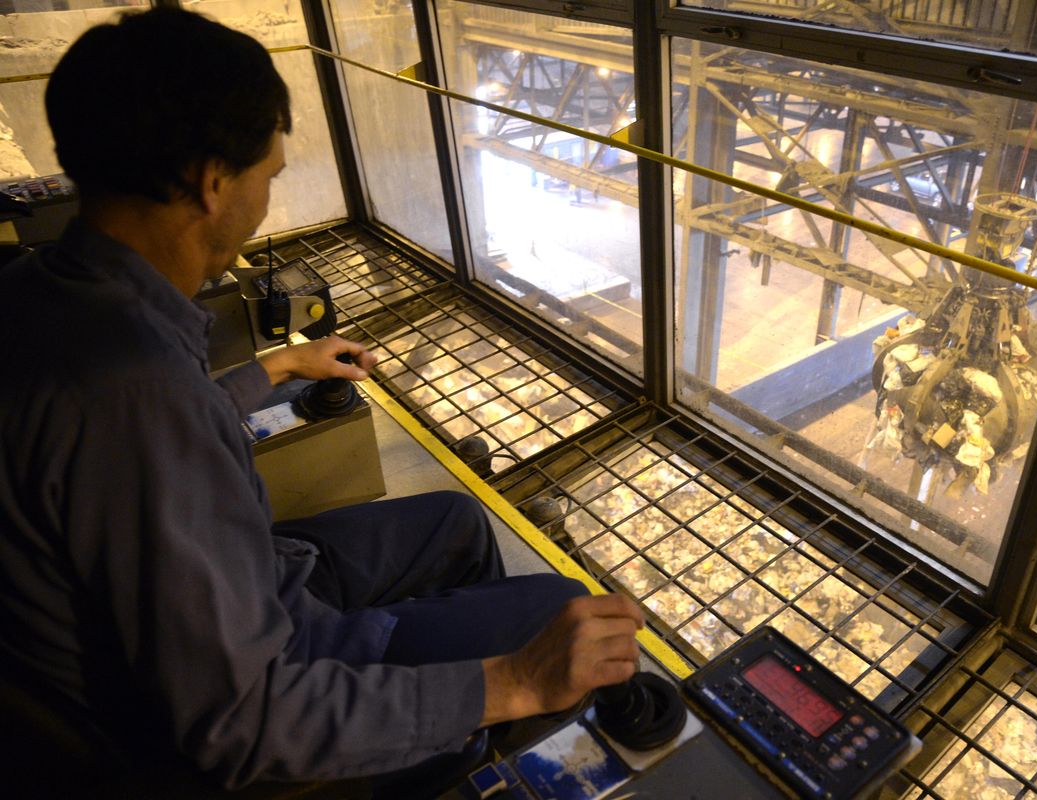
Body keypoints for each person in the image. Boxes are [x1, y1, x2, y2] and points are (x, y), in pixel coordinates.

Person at [0, 7, 643, 792]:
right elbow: (242, 721)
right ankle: (439, 739)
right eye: (269, 175)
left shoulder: (48, 293)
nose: (270, 195)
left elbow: (159, 426)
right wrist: (514, 680)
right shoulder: (132, 401)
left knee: (456, 517)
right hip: (263, 695)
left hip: (259, 587)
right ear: (211, 182)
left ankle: (437, 693)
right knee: (563, 610)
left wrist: (272, 370)